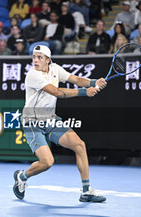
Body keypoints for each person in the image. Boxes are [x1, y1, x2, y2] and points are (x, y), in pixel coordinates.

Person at [12, 44, 107, 202]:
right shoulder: (33, 75)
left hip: (50, 119)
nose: (35, 60)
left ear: (48, 60)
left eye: (40, 57)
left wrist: (94, 82)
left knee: (79, 145)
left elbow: (76, 79)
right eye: (34, 57)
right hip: (32, 122)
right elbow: (57, 92)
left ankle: (86, 191)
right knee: (47, 162)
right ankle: (22, 177)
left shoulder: (55, 69)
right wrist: (85, 92)